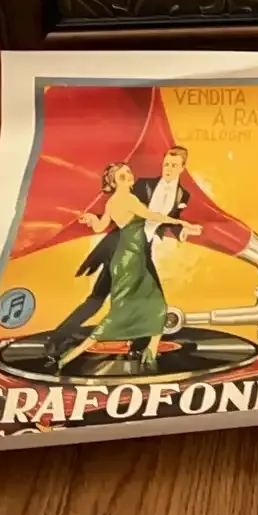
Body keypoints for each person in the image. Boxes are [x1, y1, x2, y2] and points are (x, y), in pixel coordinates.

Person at [47, 145, 194, 360]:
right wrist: (181, 223)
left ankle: (139, 345)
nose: (169, 169)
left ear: (183, 168)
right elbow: (142, 214)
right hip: (123, 249)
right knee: (104, 298)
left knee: (138, 298)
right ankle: (57, 341)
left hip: (141, 248)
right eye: (166, 164)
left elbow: (168, 219)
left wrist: (182, 230)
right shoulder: (141, 185)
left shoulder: (183, 195)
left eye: (174, 165)